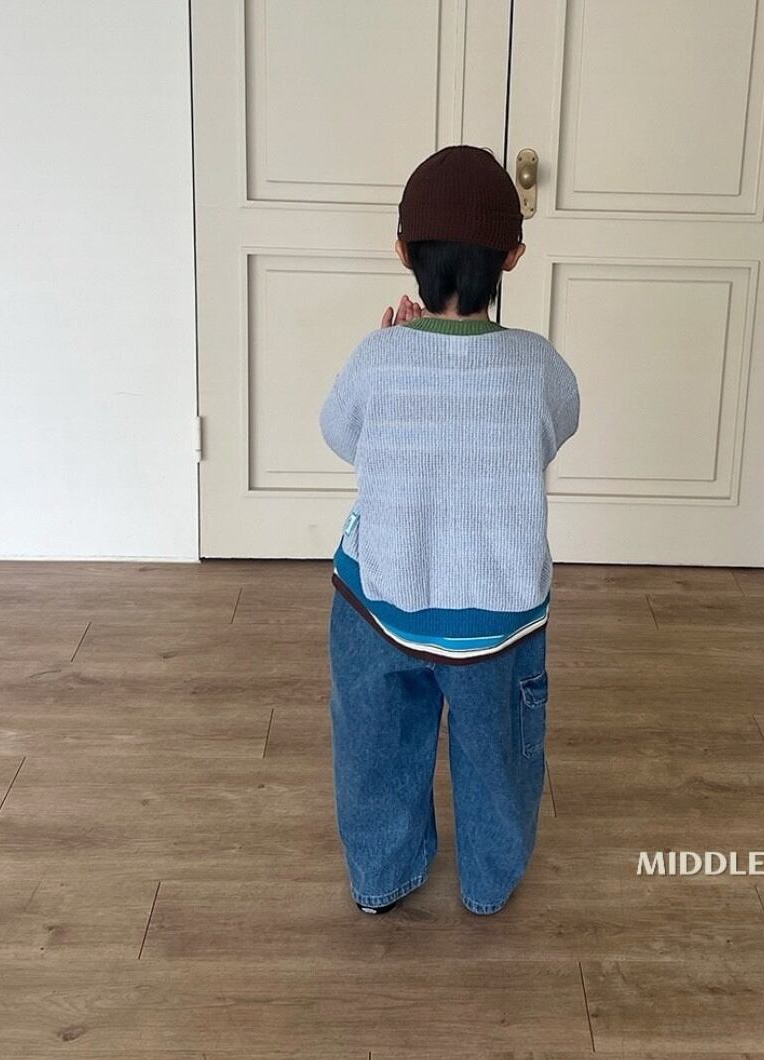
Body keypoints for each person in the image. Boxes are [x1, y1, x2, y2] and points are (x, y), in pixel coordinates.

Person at [319, 145, 580, 916]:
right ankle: (489, 882)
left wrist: (396, 350)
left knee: (374, 748)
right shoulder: (538, 365)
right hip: (496, 619)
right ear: (513, 257)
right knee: (499, 755)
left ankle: (381, 877)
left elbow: (342, 436)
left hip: (380, 604)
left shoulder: (377, 358)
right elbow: (554, 429)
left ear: (403, 252)